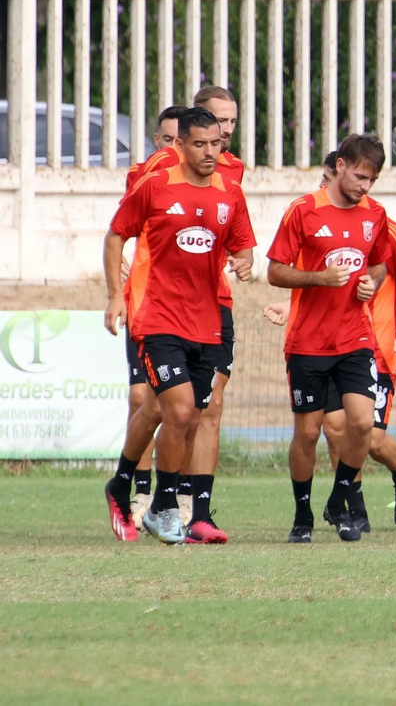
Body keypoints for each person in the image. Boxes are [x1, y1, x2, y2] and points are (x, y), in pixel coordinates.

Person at [102, 108, 254, 545]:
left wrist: (244, 264)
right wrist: (116, 295)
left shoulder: (230, 194)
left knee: (170, 413)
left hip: (206, 323)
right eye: (200, 144)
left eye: (216, 144)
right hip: (159, 318)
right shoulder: (154, 186)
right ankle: (164, 506)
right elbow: (116, 235)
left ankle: (122, 483)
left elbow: (243, 248)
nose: (210, 152)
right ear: (180, 145)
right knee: (180, 409)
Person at [265, 152, 396, 533]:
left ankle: (343, 499)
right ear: (339, 168)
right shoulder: (303, 211)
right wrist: (317, 280)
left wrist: (384, 298)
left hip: (360, 341)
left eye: (371, 180)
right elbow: (277, 271)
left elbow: (391, 268)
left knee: (364, 427)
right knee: (313, 433)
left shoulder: (378, 217)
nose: (364, 187)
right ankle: (310, 514)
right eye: (360, 177)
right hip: (308, 344)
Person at [121, 104, 188, 527]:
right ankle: (140, 493)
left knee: (182, 408)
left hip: (189, 314)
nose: (169, 148)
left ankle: (175, 495)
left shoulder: (219, 180)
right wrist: (115, 288)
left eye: (175, 141)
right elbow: (119, 231)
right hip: (145, 307)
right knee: (142, 399)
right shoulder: (143, 178)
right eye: (162, 140)